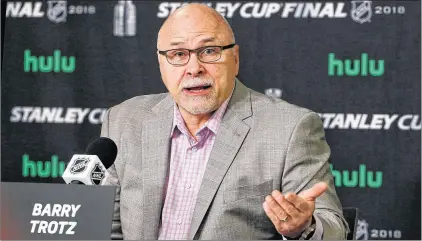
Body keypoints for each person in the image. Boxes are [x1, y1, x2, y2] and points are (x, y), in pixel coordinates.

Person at [100, 3, 348, 240]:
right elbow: (102, 228)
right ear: (161, 63)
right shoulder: (123, 121)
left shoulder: (290, 128)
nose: (194, 68)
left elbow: (334, 229)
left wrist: (303, 227)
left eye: (209, 51)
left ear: (235, 58)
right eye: (178, 54)